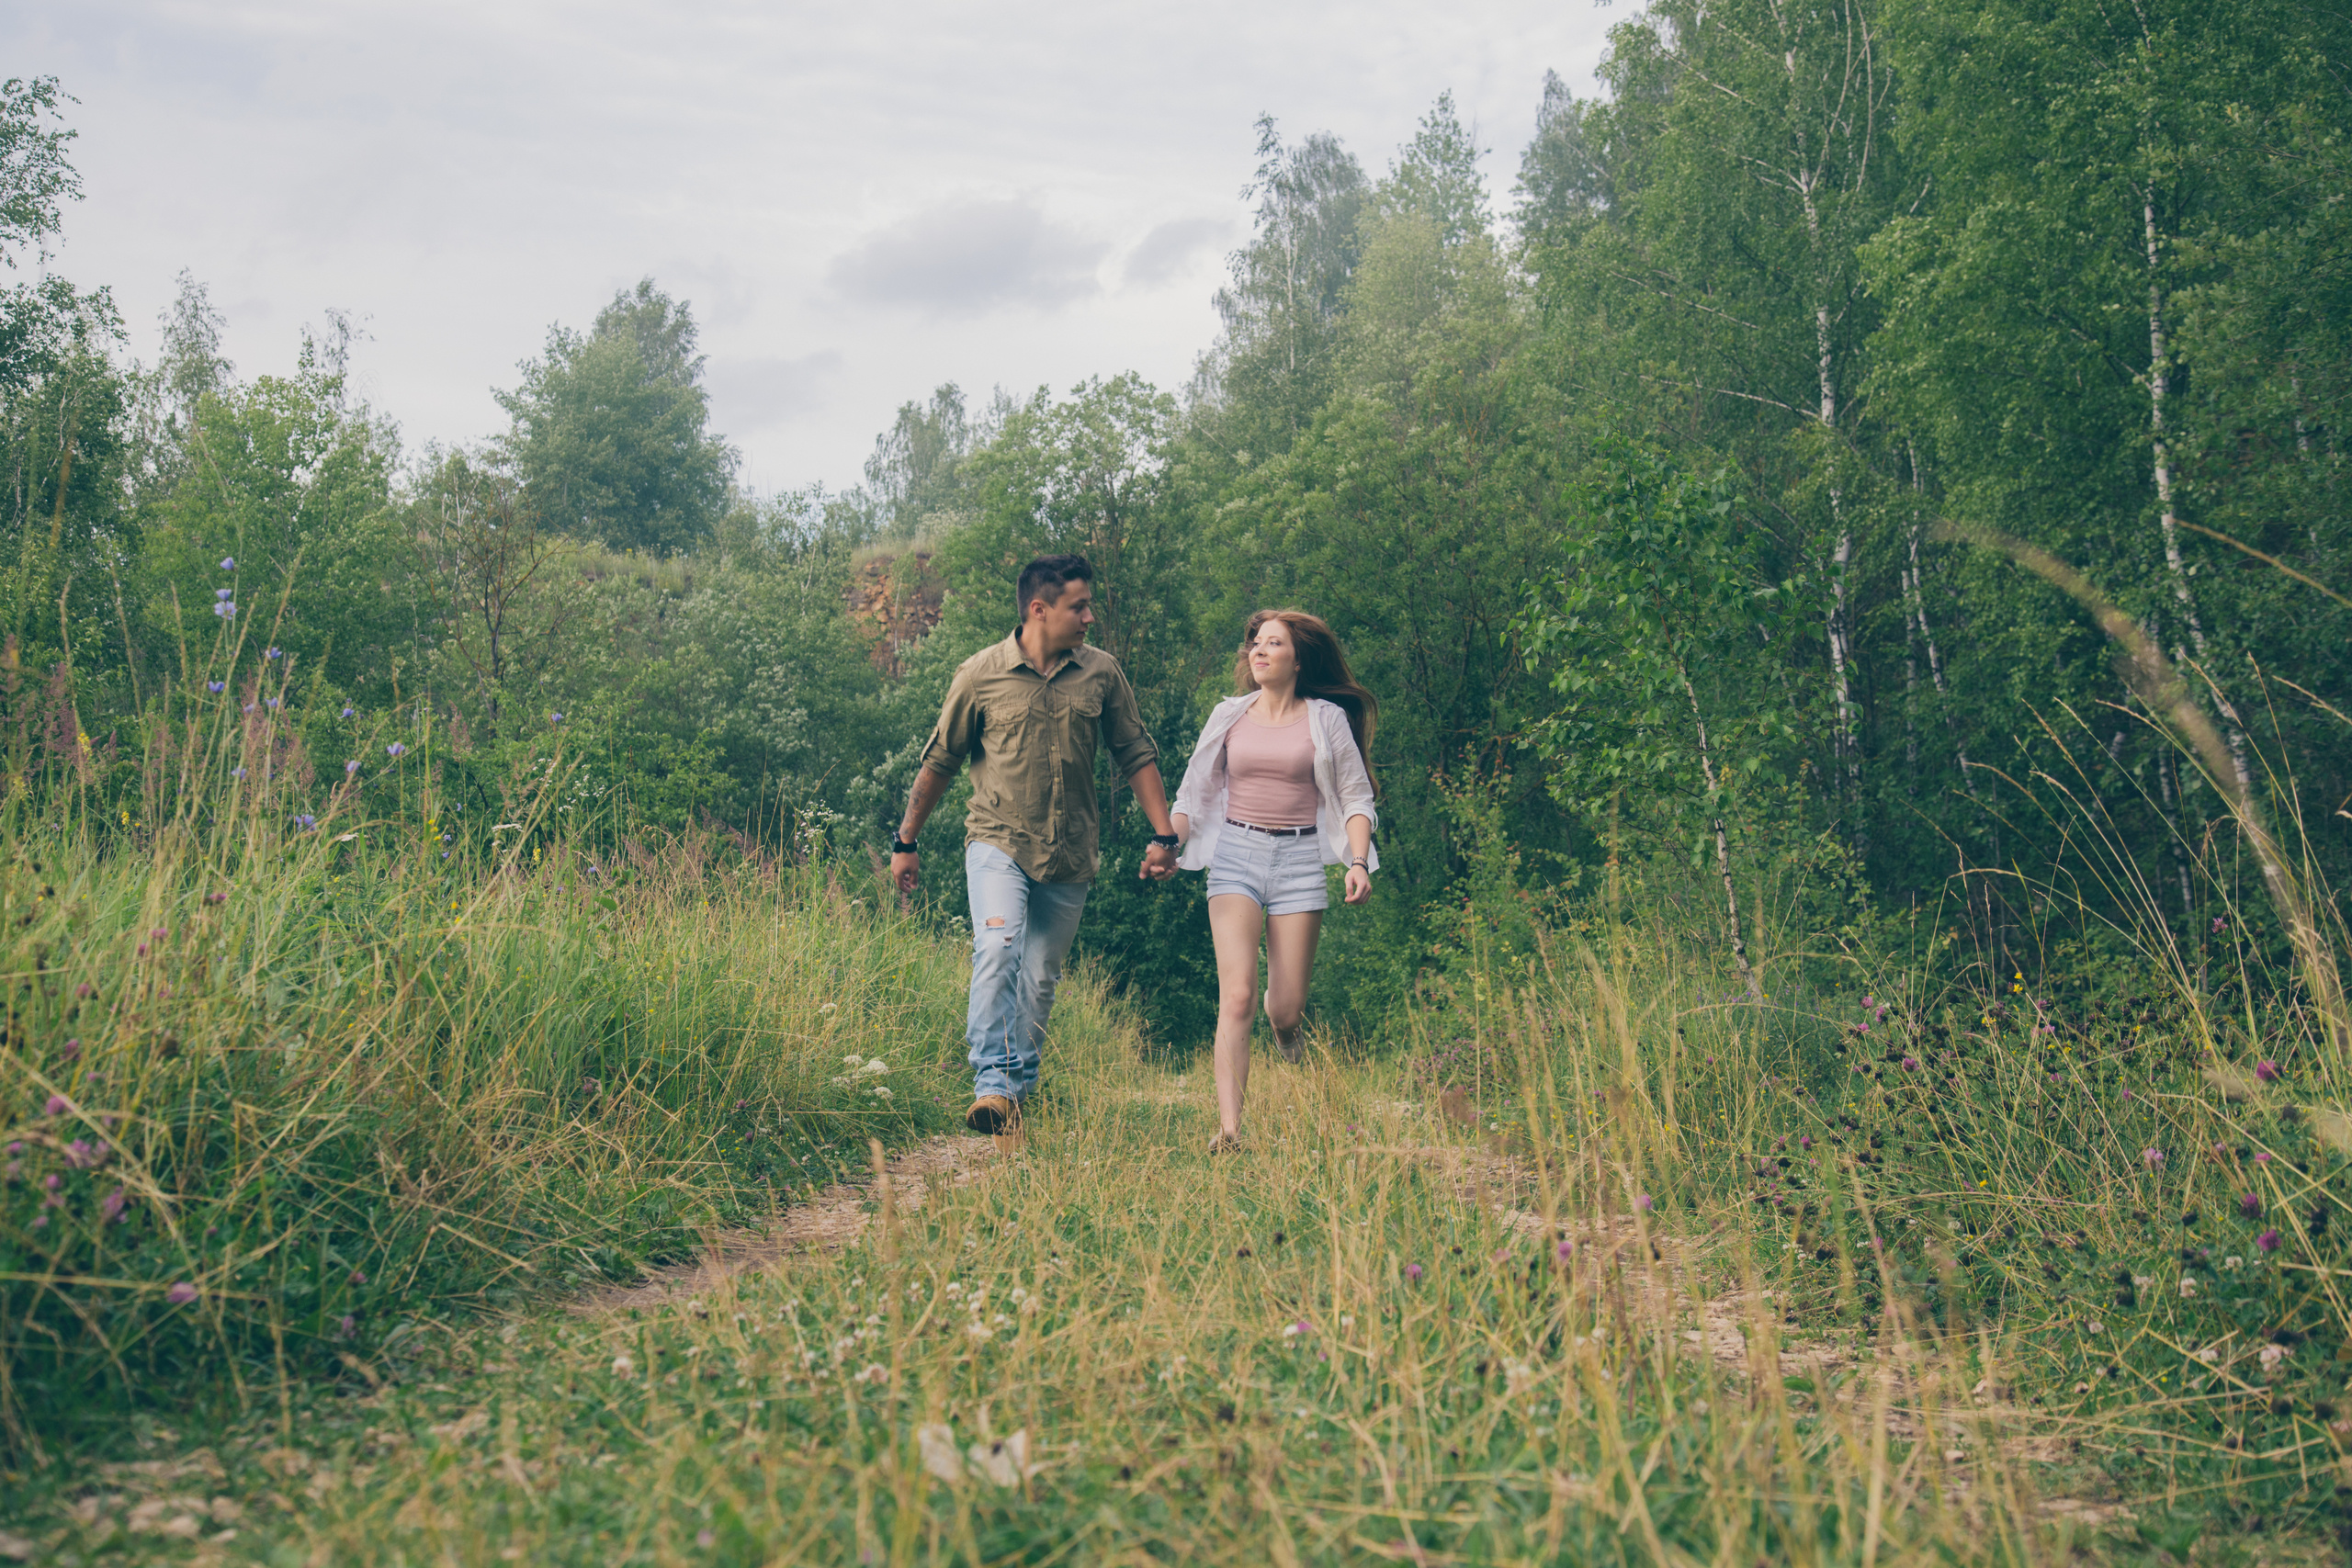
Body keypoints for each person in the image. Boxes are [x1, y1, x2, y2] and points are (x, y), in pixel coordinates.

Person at [890, 554, 1180, 1135]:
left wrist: (1164, 835)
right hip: (998, 840)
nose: (1090, 617)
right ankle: (991, 1083)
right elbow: (940, 760)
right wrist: (905, 840)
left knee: (1042, 973)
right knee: (998, 946)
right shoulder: (980, 674)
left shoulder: (1101, 673)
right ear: (1039, 610)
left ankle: (1018, 1090)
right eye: (1080, 606)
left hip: (1072, 851)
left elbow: (1135, 753)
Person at [1170, 609, 1377, 1153]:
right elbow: (1191, 796)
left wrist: (1357, 861)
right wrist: (1168, 843)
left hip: (1300, 858)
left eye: (1273, 644)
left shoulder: (1325, 718)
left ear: (1298, 658)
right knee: (1236, 995)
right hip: (1236, 854)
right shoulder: (1228, 715)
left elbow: (1356, 797)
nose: (1257, 652)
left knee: (1285, 1009)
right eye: (1255, 644)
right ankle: (1231, 1131)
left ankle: (1288, 1038)